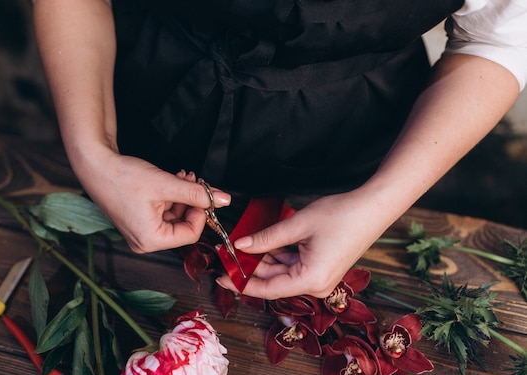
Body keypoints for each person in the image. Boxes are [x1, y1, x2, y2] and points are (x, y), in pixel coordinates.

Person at [32, 0, 527, 300]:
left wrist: (376, 202)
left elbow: (497, 39)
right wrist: (95, 153)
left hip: (364, 160)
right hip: (144, 122)